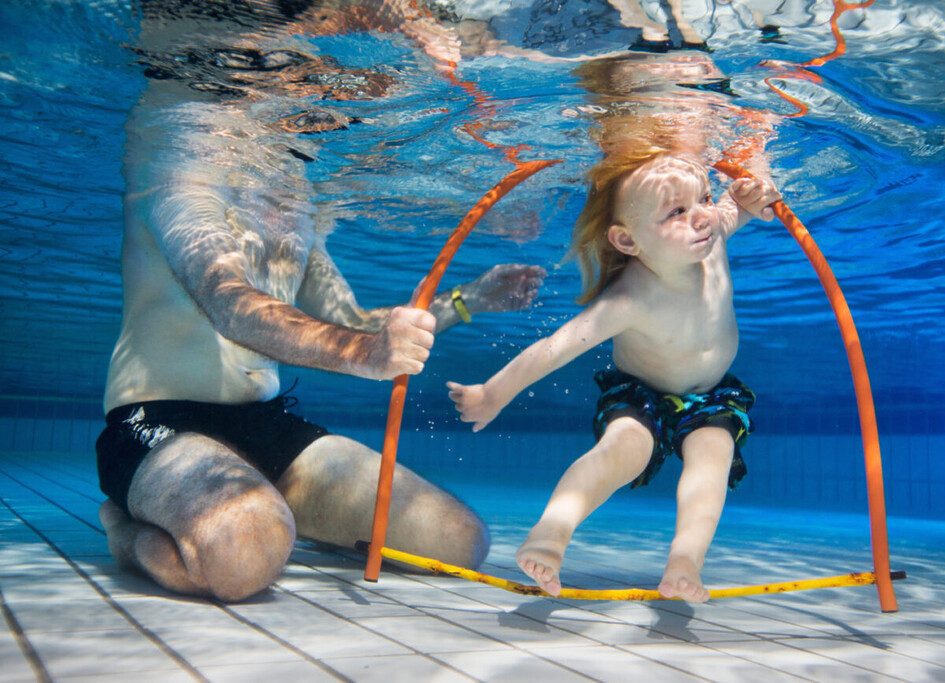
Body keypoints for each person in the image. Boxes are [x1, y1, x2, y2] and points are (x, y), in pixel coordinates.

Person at [96, 0, 547, 603]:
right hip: (157, 423)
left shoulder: (289, 212)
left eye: (311, 128)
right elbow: (231, 306)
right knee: (241, 558)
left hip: (265, 424)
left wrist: (472, 299)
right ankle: (127, 531)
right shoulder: (185, 176)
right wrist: (365, 354)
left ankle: (277, 511)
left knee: (457, 542)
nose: (301, 145)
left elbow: (355, 322)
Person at [447, 122, 780, 601]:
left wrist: (754, 187)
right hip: (639, 397)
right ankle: (551, 532)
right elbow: (555, 349)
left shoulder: (714, 230)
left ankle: (686, 560)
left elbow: (748, 200)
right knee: (624, 452)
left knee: (714, 457)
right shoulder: (629, 299)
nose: (703, 217)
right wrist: (492, 393)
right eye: (677, 211)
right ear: (627, 241)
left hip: (712, 395)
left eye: (705, 199)